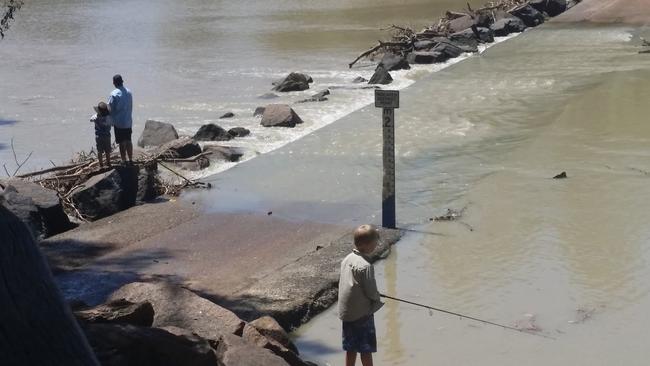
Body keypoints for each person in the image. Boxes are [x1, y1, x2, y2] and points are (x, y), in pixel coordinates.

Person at [338, 224, 384, 366]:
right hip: (362, 315)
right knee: (366, 348)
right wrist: (377, 299)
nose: (376, 245)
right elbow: (371, 292)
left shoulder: (347, 259)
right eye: (375, 243)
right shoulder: (366, 265)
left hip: (347, 313)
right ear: (368, 245)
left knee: (350, 347)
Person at [108, 74, 133, 164]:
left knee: (122, 143)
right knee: (129, 141)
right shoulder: (129, 92)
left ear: (114, 83)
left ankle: (124, 161)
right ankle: (130, 160)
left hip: (119, 123)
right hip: (128, 121)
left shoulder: (113, 94)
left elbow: (109, 109)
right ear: (122, 82)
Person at [90, 102, 113, 168]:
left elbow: (91, 120)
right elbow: (112, 124)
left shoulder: (95, 116)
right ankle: (108, 163)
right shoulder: (108, 118)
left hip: (98, 136)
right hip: (107, 136)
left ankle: (101, 164)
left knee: (99, 151)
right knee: (107, 150)